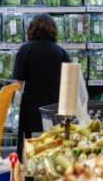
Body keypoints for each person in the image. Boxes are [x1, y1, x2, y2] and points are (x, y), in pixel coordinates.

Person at [12, 13, 68, 157]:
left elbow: (18, 82)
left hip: (31, 107)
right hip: (54, 106)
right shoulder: (61, 52)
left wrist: (15, 101)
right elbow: (67, 84)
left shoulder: (25, 49)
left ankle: (28, 175)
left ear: (32, 29)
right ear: (53, 30)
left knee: (31, 144)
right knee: (52, 143)